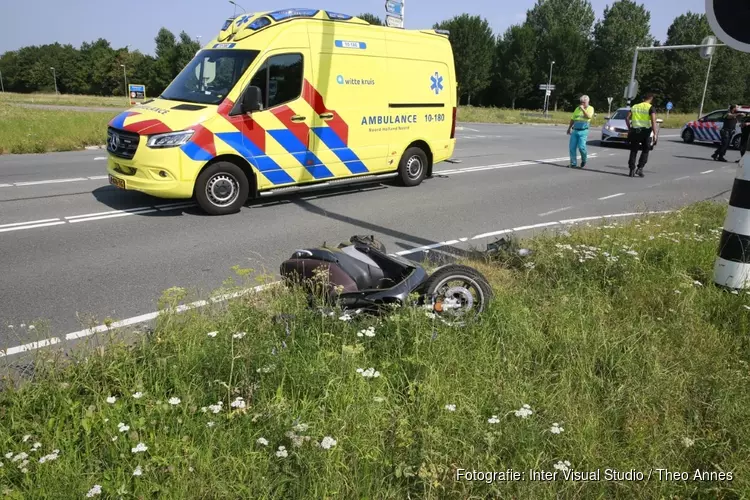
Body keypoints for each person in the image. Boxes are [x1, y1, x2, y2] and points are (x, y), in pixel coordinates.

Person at [625, 93, 657, 177]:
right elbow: (653, 121)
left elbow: (627, 118)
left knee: (633, 151)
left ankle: (631, 170)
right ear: (651, 99)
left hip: (635, 131)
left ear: (643, 99)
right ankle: (639, 168)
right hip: (645, 132)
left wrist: (629, 128)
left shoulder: (635, 106)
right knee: (646, 150)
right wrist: (655, 134)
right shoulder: (651, 108)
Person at [566, 95, 594, 168]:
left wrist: (583, 109)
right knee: (572, 147)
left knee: (581, 147)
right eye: (581, 102)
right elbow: (573, 119)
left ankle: (584, 159)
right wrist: (569, 128)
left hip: (583, 131)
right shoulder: (577, 109)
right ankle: (573, 163)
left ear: (588, 102)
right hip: (575, 130)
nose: (582, 104)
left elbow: (589, 116)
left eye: (584, 102)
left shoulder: (590, 108)